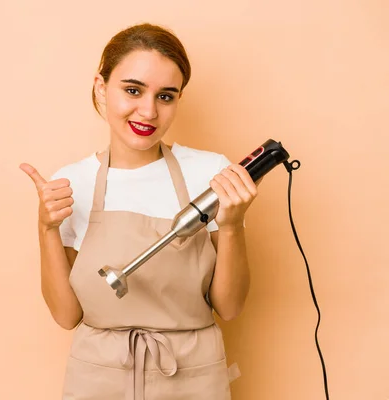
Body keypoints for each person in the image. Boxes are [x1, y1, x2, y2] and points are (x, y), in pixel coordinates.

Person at [20, 22, 258, 400]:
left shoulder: (209, 174)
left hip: (191, 374)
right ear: (101, 86)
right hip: (97, 377)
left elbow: (229, 308)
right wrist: (46, 228)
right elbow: (66, 316)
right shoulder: (72, 183)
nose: (148, 111)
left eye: (166, 96)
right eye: (133, 90)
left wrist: (232, 226)